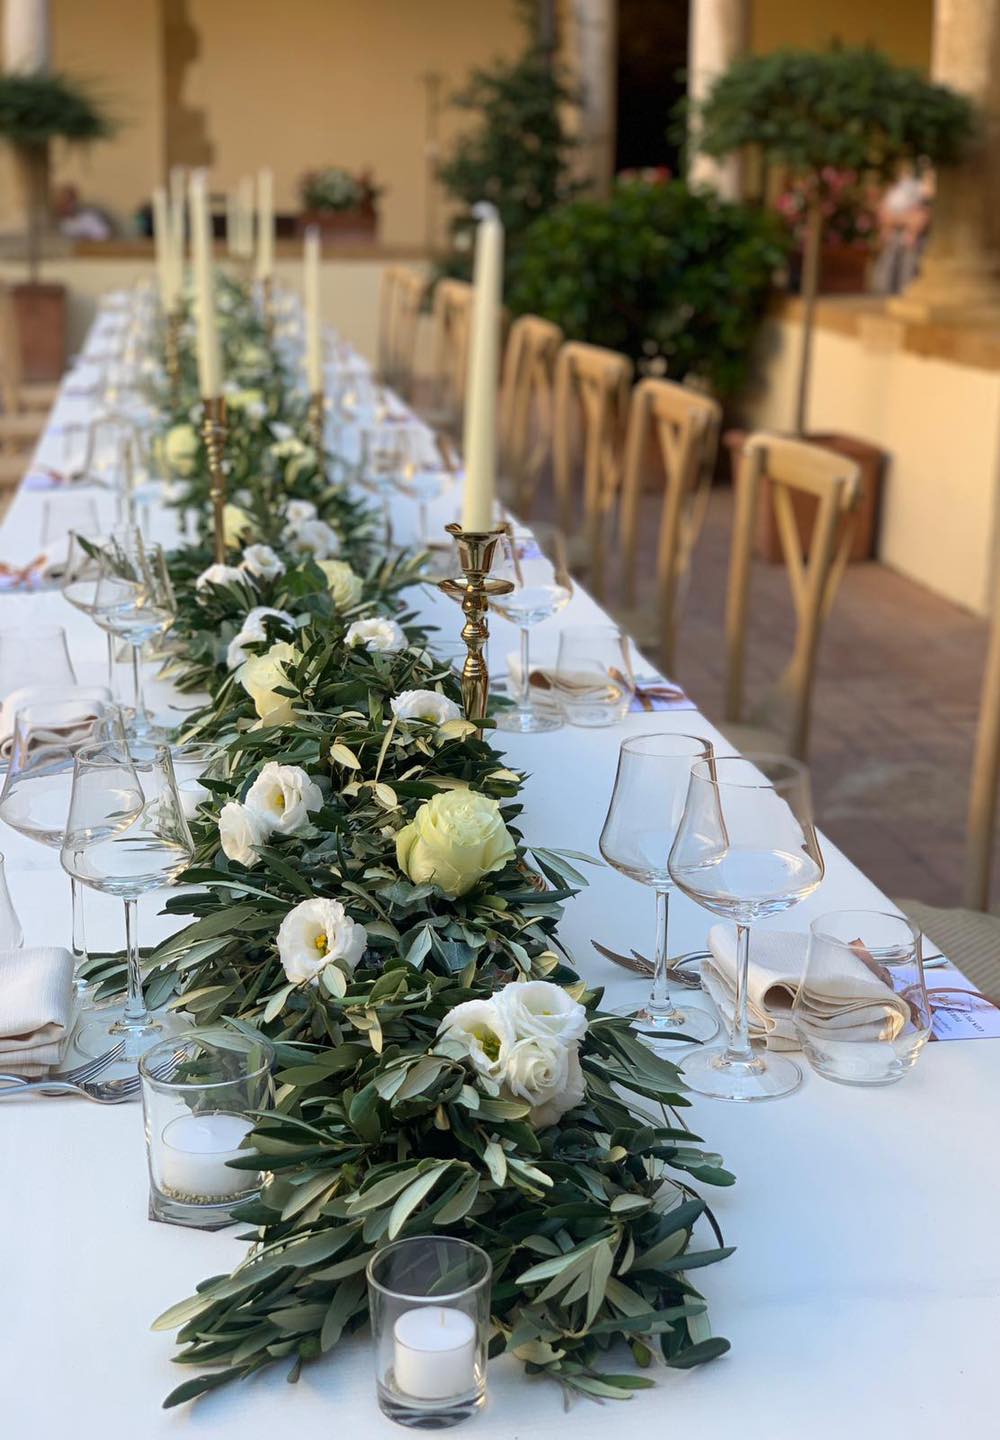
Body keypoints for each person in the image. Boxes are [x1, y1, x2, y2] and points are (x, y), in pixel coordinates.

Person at [871, 164, 933, 296]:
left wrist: (908, 227)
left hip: (910, 240)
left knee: (907, 274)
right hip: (894, 238)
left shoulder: (919, 188)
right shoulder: (894, 190)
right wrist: (902, 220)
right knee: (886, 275)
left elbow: (921, 219)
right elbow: (884, 216)